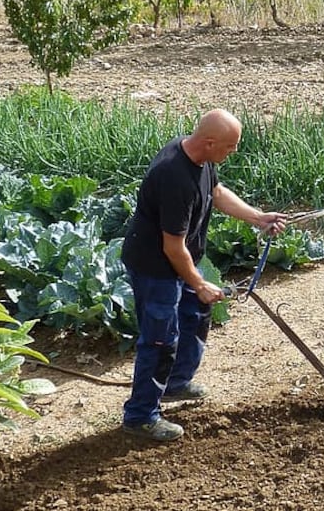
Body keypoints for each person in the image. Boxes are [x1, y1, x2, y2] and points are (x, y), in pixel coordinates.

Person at [120, 108, 287, 441]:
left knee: (196, 314)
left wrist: (258, 217)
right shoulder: (174, 177)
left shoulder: (199, 158)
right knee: (159, 340)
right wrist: (198, 282)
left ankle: (176, 383)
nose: (233, 152)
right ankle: (140, 417)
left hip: (180, 260)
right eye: (229, 146)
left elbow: (217, 192)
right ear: (209, 142)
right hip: (156, 269)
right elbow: (172, 247)